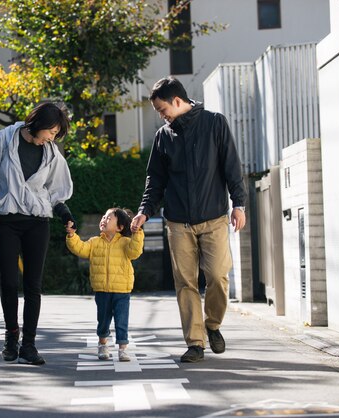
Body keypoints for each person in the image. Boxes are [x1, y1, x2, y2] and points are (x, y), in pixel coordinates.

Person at [130, 76, 247, 363]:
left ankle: (213, 325)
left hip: (214, 217)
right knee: (186, 282)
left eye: (162, 109)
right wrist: (145, 210)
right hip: (178, 221)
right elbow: (154, 180)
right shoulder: (163, 137)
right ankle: (195, 342)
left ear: (177, 101)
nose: (161, 116)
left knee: (218, 277)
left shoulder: (214, 123)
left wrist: (239, 203)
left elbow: (231, 165)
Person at [0, 102, 76, 365]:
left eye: (55, 135)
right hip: (6, 220)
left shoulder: (52, 153)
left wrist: (64, 213)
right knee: (8, 282)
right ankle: (11, 337)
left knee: (33, 285)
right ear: (38, 124)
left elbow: (56, 189)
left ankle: (29, 345)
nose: (52, 139)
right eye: (51, 132)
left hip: (37, 222)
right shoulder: (5, 140)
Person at [65, 208, 144, 362]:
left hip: (122, 290)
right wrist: (71, 235)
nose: (103, 219)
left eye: (108, 218)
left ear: (120, 227)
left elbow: (135, 252)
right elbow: (80, 248)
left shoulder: (126, 242)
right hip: (102, 289)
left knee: (121, 320)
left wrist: (137, 233)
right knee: (103, 320)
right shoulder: (94, 242)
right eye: (103, 217)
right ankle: (102, 344)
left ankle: (122, 348)